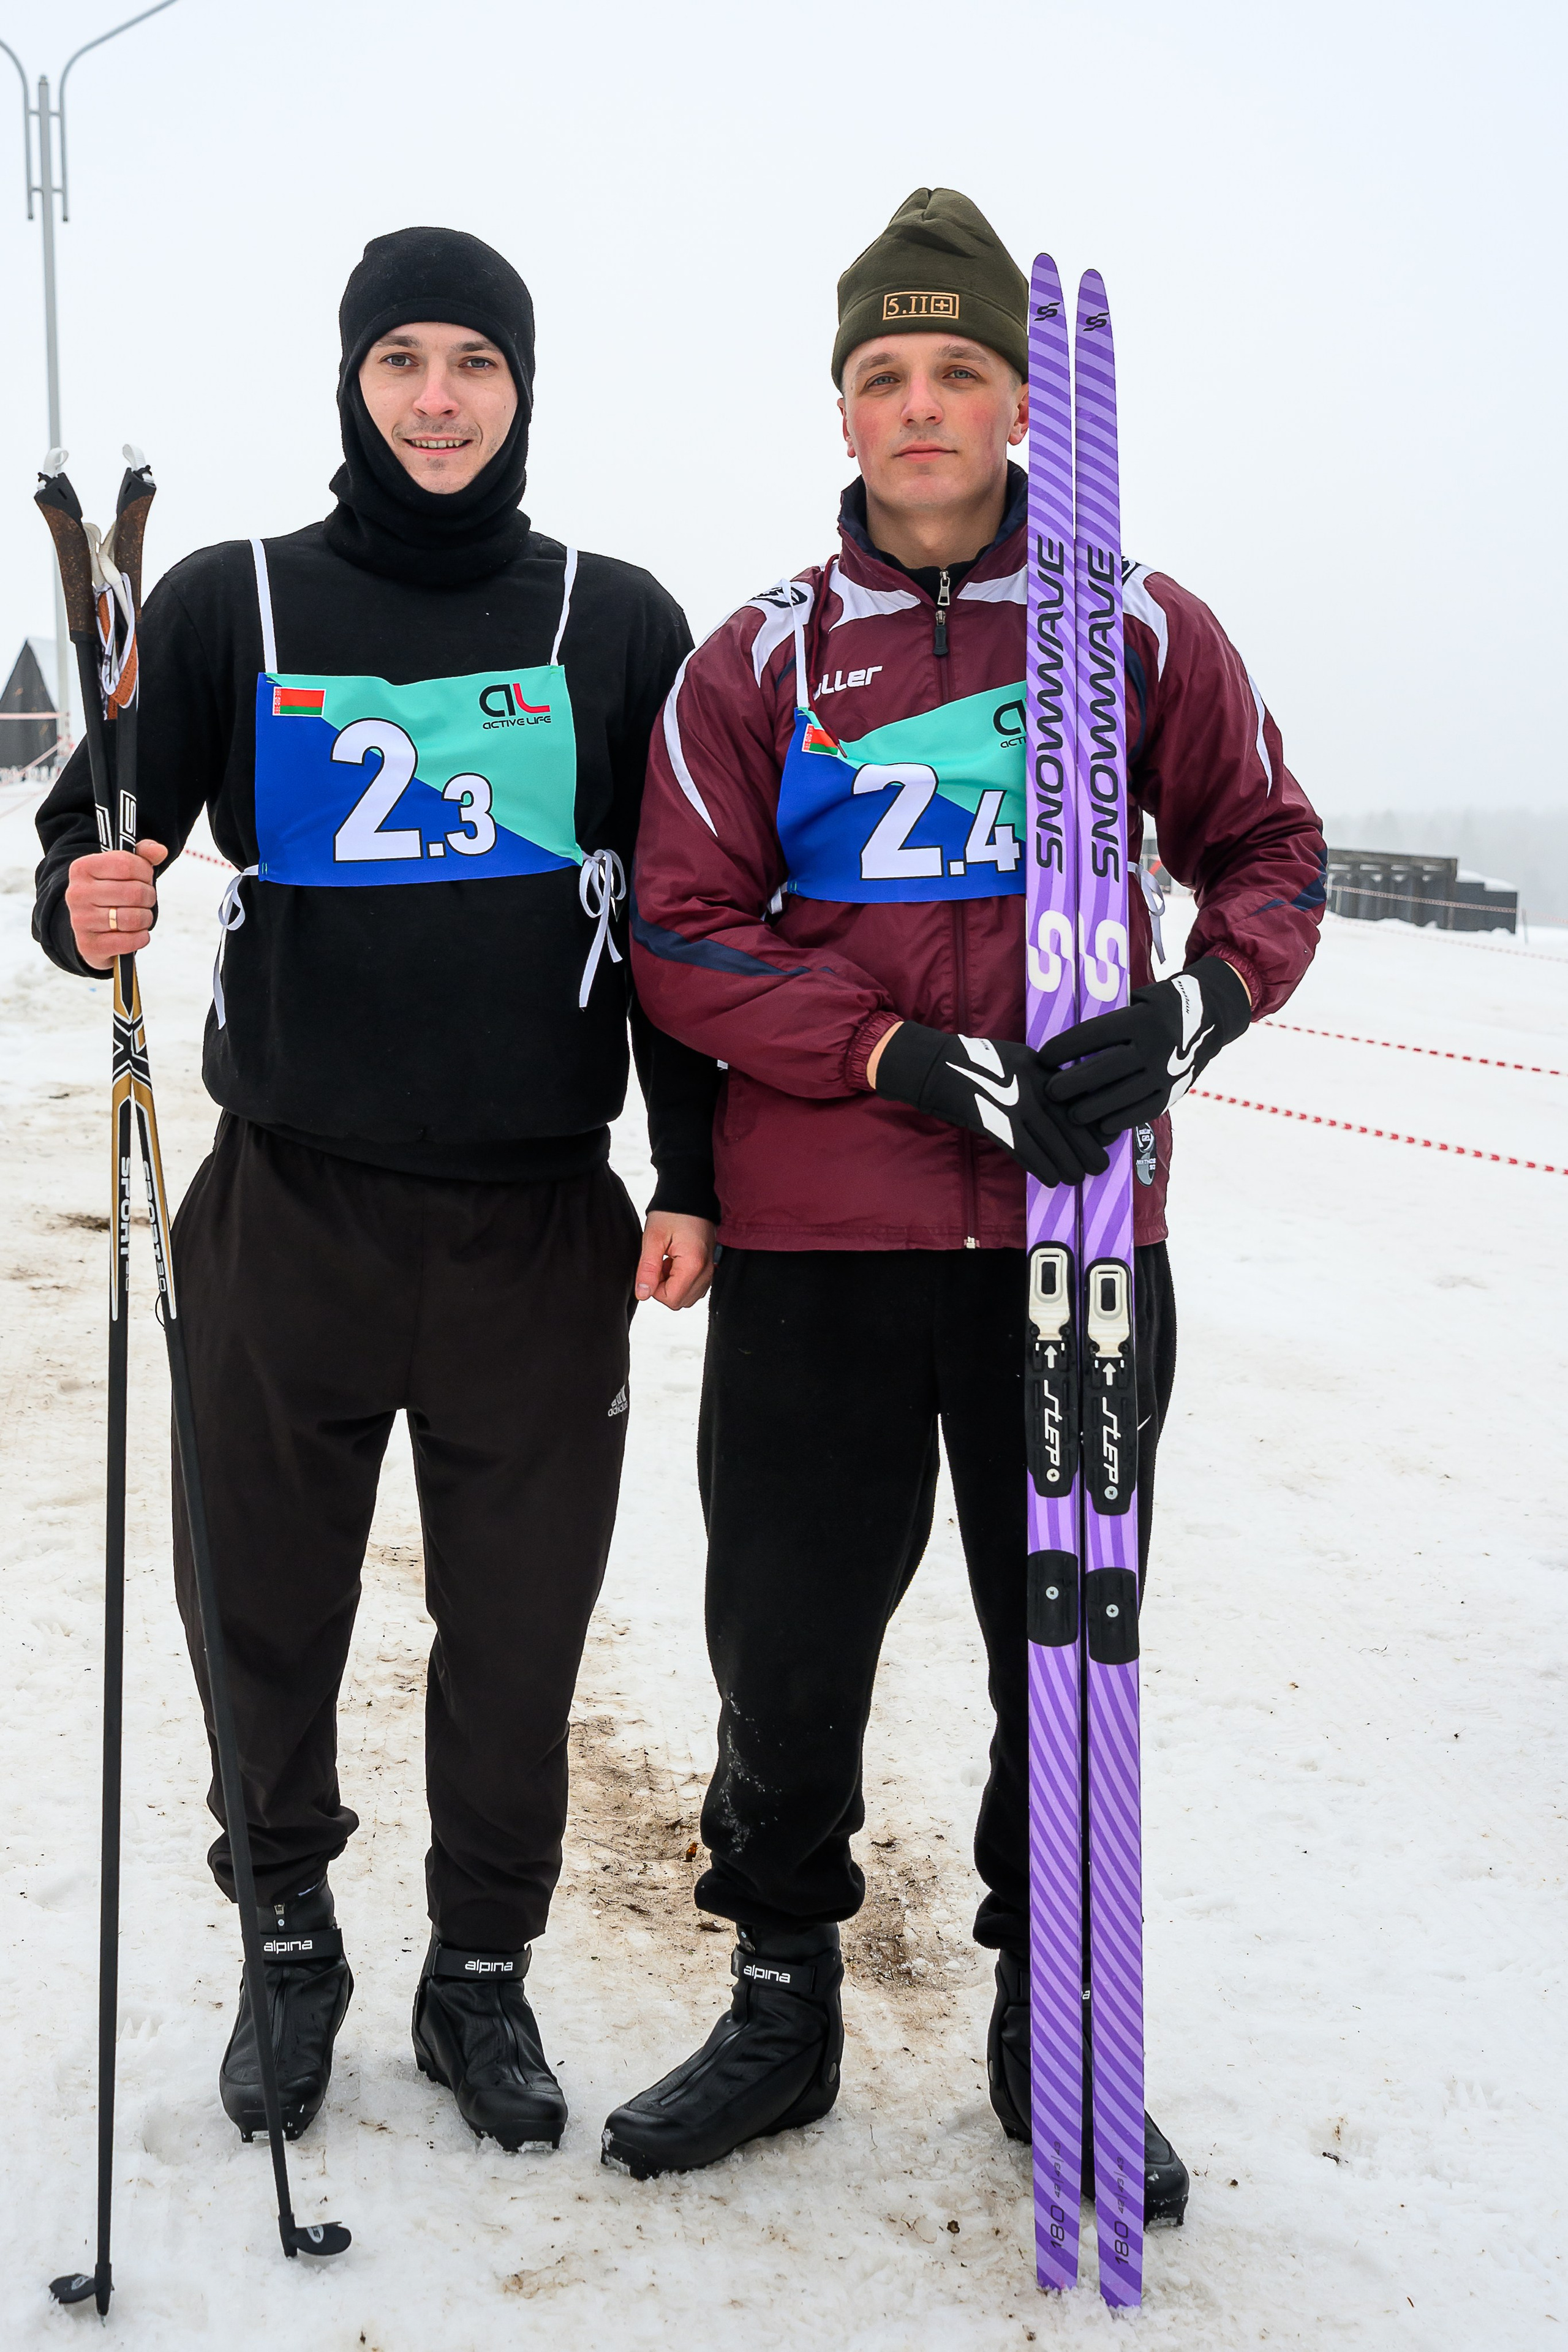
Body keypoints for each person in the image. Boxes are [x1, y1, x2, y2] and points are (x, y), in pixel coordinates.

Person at [608, 188, 1325, 2208]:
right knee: (789, 1641)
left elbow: (1272, 849)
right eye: (883, 375)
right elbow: (681, 928)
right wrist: (896, 1055)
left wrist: (1190, 1011)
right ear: (840, 411)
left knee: (1062, 1647)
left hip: (1074, 1253)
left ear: (1022, 401)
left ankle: (1055, 2020)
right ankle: (778, 1997)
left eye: (960, 372)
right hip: (825, 1248)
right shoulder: (759, 656)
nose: (921, 407)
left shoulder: (1142, 628)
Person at [33, 226, 718, 2154]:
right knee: (262, 1602)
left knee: (518, 1629)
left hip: (535, 1224)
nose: (436, 396)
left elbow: (674, 925)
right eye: (402, 358)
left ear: (521, 388)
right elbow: (94, 837)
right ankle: (293, 1937)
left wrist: (696, 1165)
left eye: (474, 364)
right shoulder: (238, 602)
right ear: (354, 378)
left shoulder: (614, 616)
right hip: (292, 1206)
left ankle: (478, 1972)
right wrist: (90, 907)